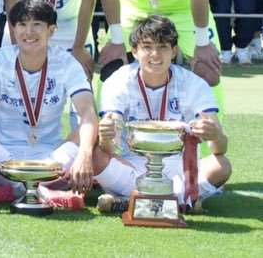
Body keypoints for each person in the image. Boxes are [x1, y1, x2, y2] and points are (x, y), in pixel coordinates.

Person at [0, 0, 102, 208]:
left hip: (51, 157)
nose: (29, 32)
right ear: (13, 29)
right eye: (22, 24)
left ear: (51, 30)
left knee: (87, 134)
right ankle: (47, 191)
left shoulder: (67, 63)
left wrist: (85, 155)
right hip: (3, 153)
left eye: (37, 24)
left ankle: (12, 189)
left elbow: (87, 111)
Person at [94, 15, 232, 213]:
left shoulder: (193, 83)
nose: (155, 54)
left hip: (179, 167)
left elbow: (221, 148)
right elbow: (108, 148)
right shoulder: (118, 81)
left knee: (221, 165)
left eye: (163, 47)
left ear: (174, 51)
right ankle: (181, 200)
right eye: (147, 47)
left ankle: (128, 201)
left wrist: (215, 135)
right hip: (131, 166)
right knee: (94, 156)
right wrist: (106, 136)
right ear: (134, 51)